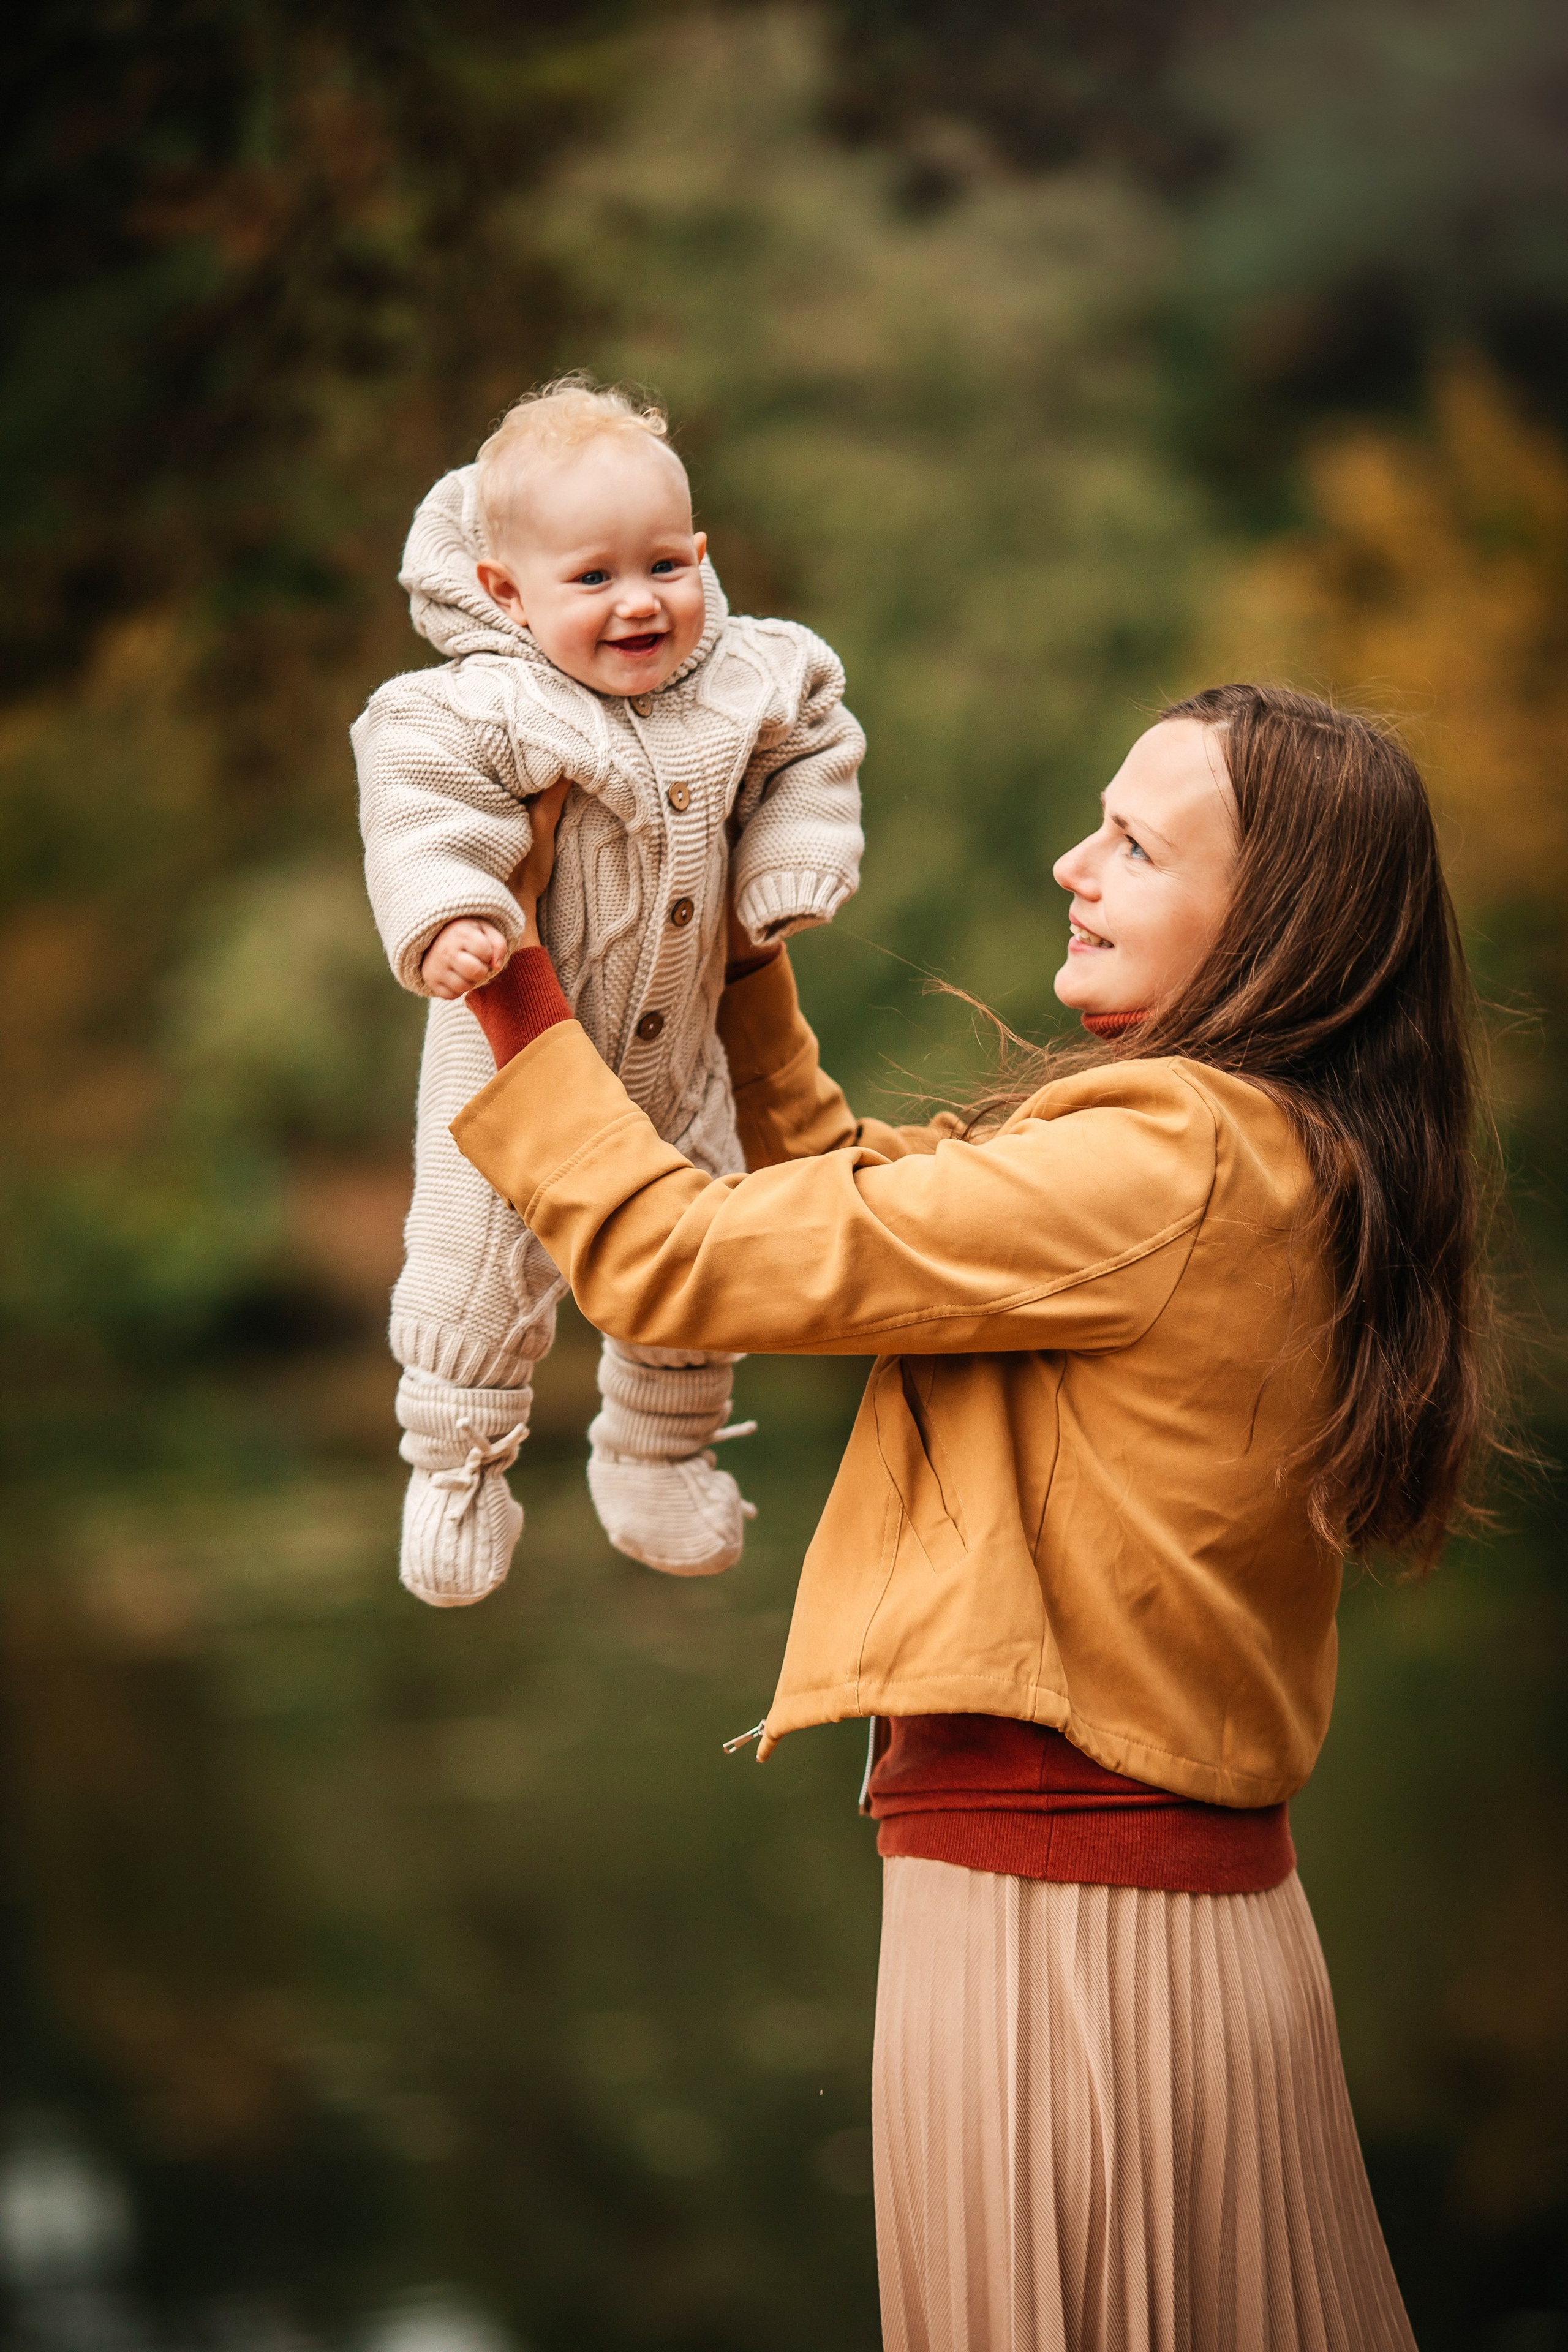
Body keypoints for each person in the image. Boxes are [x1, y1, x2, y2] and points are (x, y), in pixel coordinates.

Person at [451, 685, 1479, 2350]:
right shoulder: (1267, 1151)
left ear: (1272, 925)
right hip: (1158, 1918)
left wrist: (508, 985)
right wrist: (737, 965)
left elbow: (679, 1260)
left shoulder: (1167, 1161)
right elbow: (864, 1218)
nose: (1075, 863)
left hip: (1068, 1921)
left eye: (1136, 847)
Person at [352, 377, 864, 1608]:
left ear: (701, 556)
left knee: (702, 1259)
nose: (640, 601)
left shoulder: (753, 675)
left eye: (664, 566)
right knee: (474, 1272)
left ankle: (659, 1451)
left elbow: (819, 740)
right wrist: (454, 915)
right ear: (505, 592)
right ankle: (458, 1465)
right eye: (593, 578)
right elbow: (416, 802)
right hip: (508, 1070)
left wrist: (789, 859)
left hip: (680, 1063)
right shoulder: (478, 705)